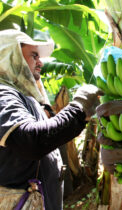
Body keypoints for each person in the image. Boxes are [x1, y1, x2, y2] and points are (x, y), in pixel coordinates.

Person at [0, 29, 100, 209]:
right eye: (34, 56)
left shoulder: (22, 97)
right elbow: (31, 141)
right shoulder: (3, 95)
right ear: (10, 56)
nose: (40, 63)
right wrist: (78, 108)